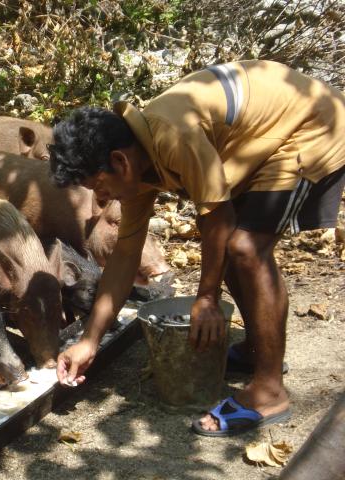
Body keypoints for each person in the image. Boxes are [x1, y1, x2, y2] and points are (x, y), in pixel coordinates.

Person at [49, 60, 345, 437]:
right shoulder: (137, 167)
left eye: (98, 185)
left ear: (119, 162)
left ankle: (270, 391)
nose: (99, 197)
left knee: (245, 249)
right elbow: (124, 258)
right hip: (265, 139)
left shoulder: (174, 135)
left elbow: (218, 220)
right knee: (235, 246)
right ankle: (257, 347)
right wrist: (90, 340)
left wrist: (206, 297)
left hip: (314, 126)